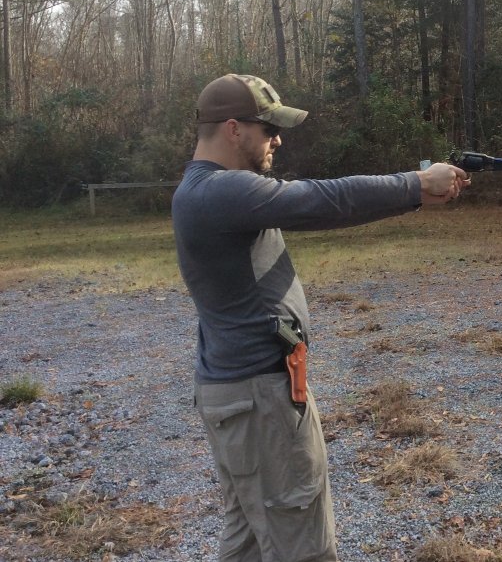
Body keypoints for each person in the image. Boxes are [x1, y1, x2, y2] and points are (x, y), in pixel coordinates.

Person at [172, 73, 469, 562]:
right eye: (268, 129)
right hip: (260, 400)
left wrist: (412, 194)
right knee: (303, 547)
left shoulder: (206, 192)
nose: (277, 139)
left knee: (248, 539)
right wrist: (415, 183)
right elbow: (323, 200)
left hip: (242, 396)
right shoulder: (221, 192)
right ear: (233, 129)